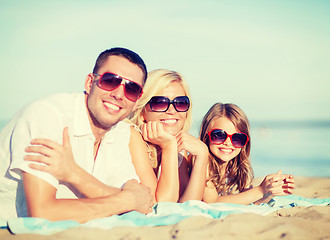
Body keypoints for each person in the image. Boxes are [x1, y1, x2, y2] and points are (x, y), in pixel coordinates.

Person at [0, 47, 155, 223]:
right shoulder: (48, 116)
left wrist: (74, 174)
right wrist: (126, 201)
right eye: (111, 81)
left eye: (132, 89)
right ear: (89, 83)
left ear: (137, 102)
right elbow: (42, 213)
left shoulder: (119, 131)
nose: (119, 94)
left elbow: (139, 198)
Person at [129, 69, 209, 202]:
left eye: (180, 103)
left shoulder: (176, 142)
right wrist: (168, 147)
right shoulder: (132, 136)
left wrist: (202, 154)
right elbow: (162, 205)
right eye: (160, 102)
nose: (172, 111)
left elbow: (187, 203)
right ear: (142, 110)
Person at [199, 103, 295, 205]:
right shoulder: (203, 163)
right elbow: (213, 201)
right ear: (206, 135)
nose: (228, 143)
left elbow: (250, 201)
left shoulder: (240, 167)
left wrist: (270, 191)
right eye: (219, 135)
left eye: (237, 138)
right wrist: (260, 190)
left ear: (245, 141)